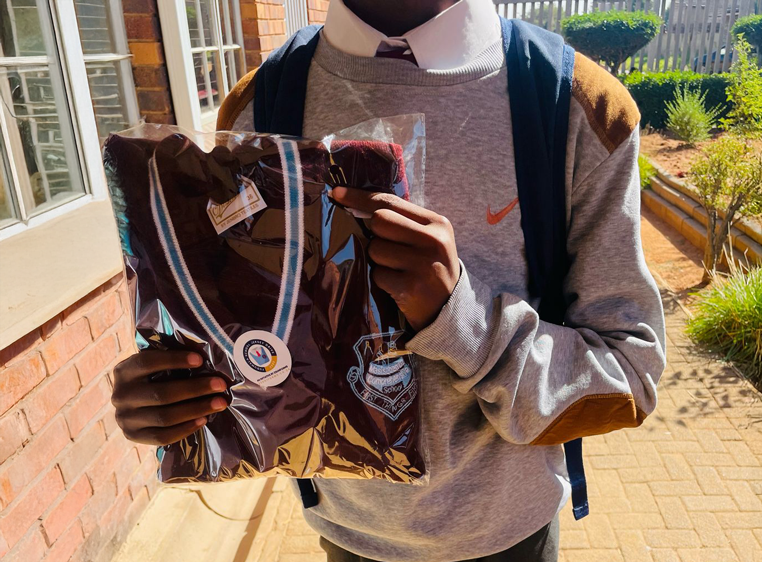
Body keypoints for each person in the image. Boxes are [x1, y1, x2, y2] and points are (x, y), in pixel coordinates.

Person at [110, 1, 666, 560]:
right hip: (345, 536)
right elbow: (253, 340)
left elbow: (630, 374)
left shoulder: (575, 103)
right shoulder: (260, 103)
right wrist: (180, 397)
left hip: (513, 538)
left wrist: (461, 321)